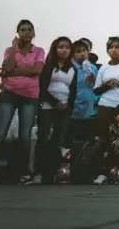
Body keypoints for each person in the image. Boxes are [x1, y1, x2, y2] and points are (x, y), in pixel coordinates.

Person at [0, 20, 44, 185]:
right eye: (22, 30)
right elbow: (7, 68)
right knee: (0, 133)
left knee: (25, 135)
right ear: (18, 33)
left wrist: (14, 72)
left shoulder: (39, 51)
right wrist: (14, 49)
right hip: (9, 94)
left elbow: (37, 70)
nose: (26, 32)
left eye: (29, 30)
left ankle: (24, 173)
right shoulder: (10, 50)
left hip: (30, 96)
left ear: (33, 33)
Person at [35, 36, 78, 184]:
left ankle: (52, 172)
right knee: (44, 137)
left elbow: (73, 89)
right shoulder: (48, 66)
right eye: (61, 47)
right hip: (48, 105)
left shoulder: (73, 69)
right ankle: (39, 171)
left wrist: (68, 105)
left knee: (58, 140)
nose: (64, 50)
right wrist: (55, 102)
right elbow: (42, 88)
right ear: (55, 48)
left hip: (65, 106)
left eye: (67, 47)